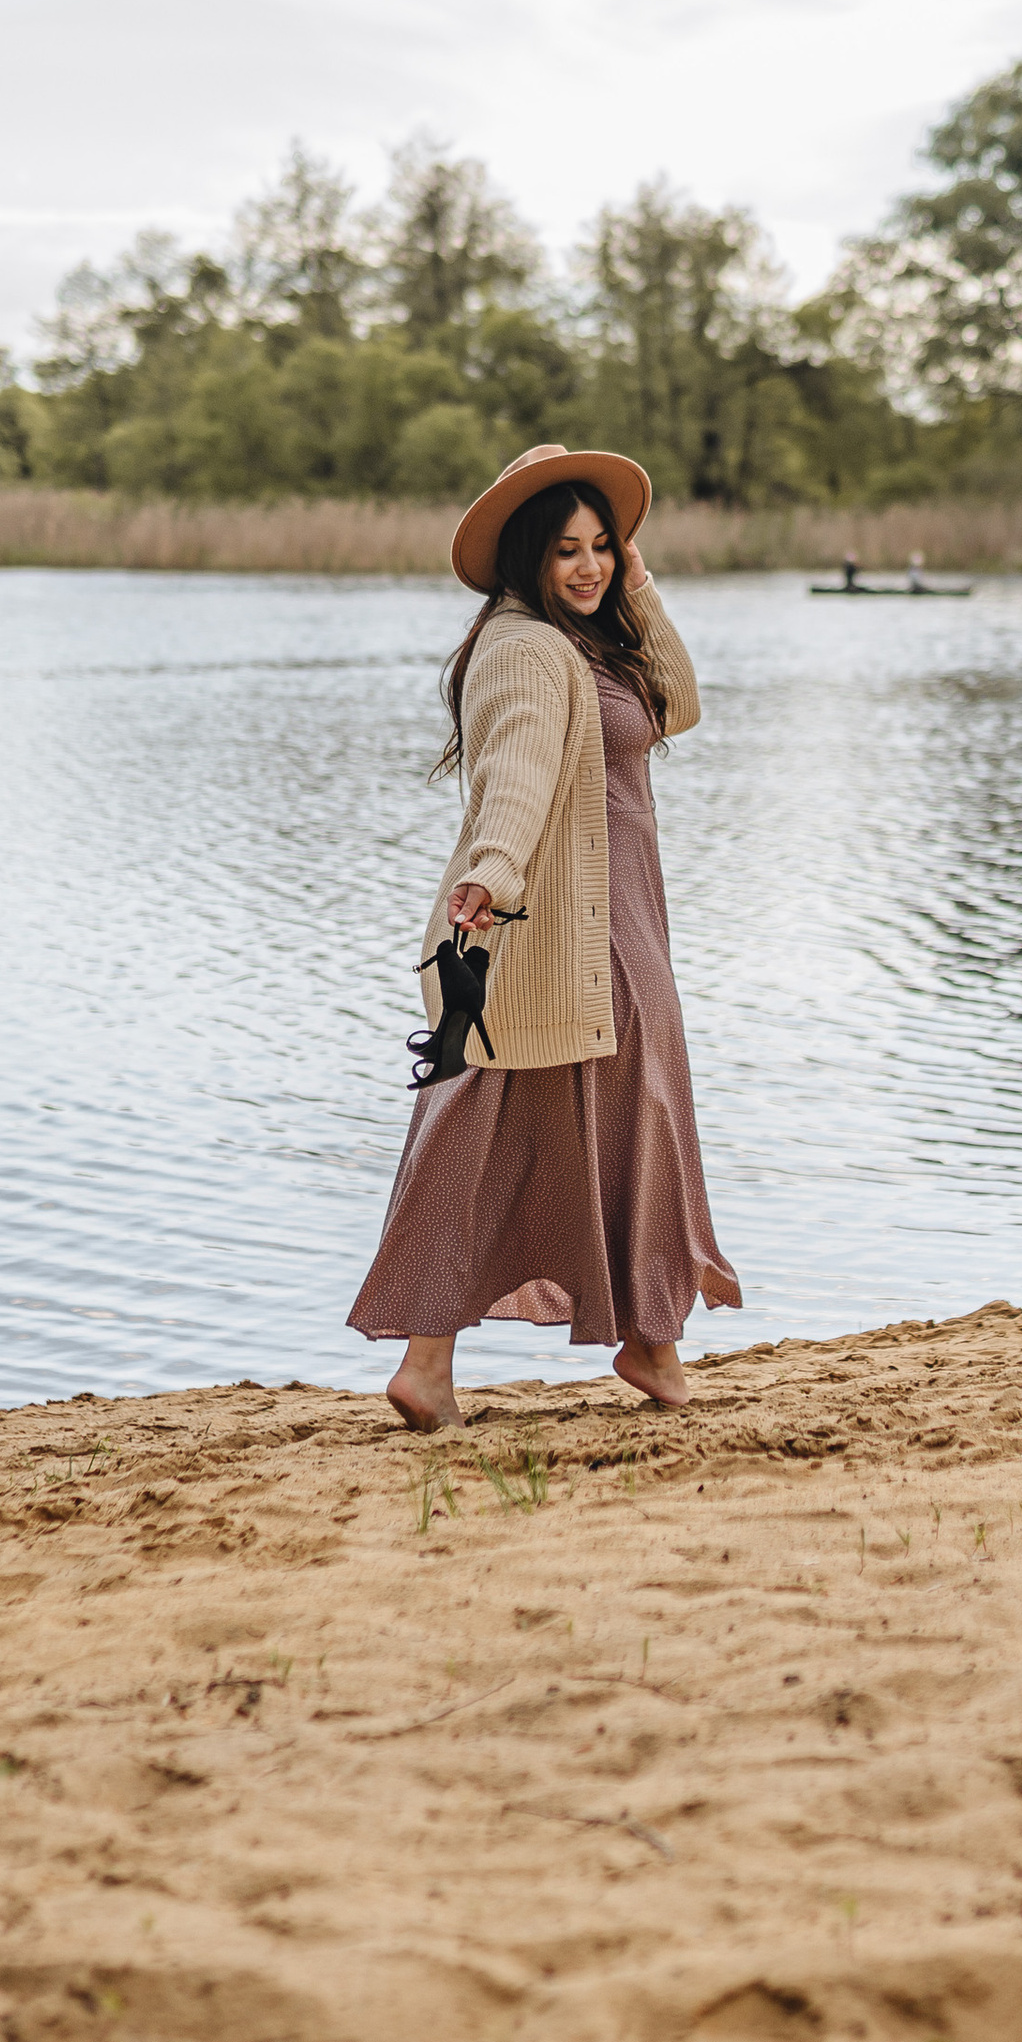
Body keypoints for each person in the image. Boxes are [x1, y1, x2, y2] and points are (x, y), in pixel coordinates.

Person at [349, 442, 740, 1427]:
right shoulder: (525, 649)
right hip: (553, 922)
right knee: (502, 1116)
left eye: (603, 546)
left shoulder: (590, 642)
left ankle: (636, 1343)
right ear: (529, 554)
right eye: (567, 548)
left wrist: (640, 592)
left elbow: (681, 707)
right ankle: (477, 1358)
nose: (589, 565)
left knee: (574, 1113)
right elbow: (516, 774)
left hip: (611, 920)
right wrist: (491, 871)